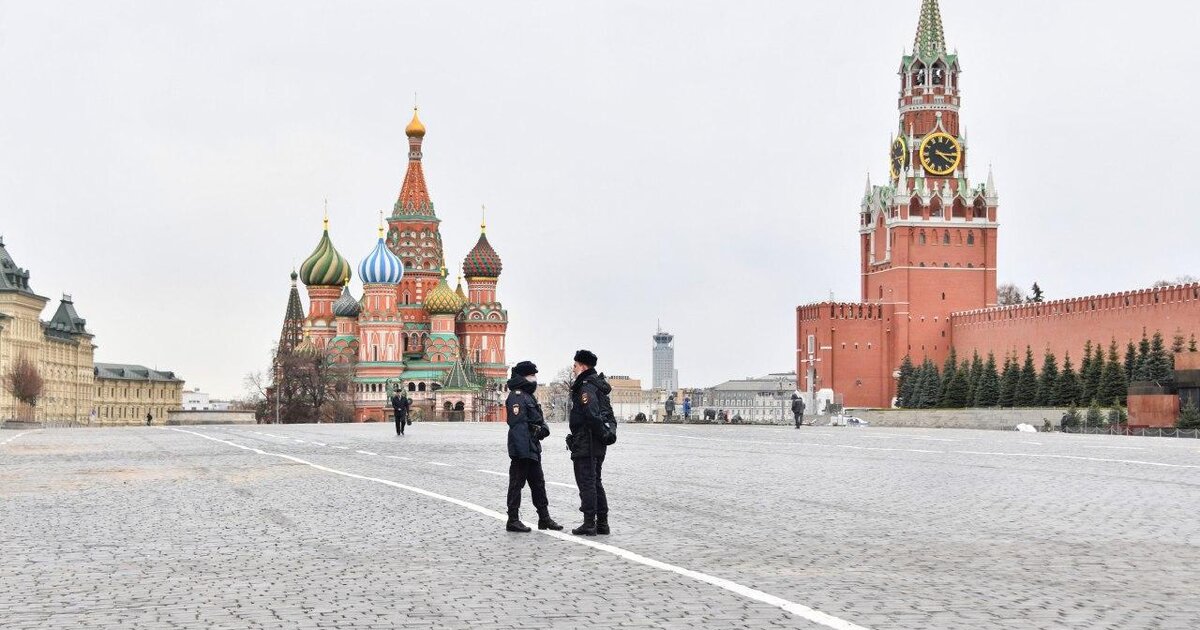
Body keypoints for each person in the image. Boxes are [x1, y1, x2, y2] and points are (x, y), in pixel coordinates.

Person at [504, 361, 562, 533]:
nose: (534, 378)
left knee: (538, 484)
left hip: (532, 448)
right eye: (532, 375)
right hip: (522, 451)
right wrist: (523, 453)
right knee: (516, 484)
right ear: (524, 377)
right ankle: (513, 520)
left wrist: (543, 429)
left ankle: (544, 518)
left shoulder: (529, 396)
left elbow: (538, 420)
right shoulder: (517, 396)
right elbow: (518, 426)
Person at [567, 349, 611, 536]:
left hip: (587, 441)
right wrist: (604, 436)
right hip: (595, 442)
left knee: (587, 482)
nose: (573, 369)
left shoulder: (586, 387)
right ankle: (602, 523)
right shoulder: (596, 385)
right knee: (595, 481)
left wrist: (598, 435)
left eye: (575, 365)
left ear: (583, 367)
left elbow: (592, 416)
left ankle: (589, 523)